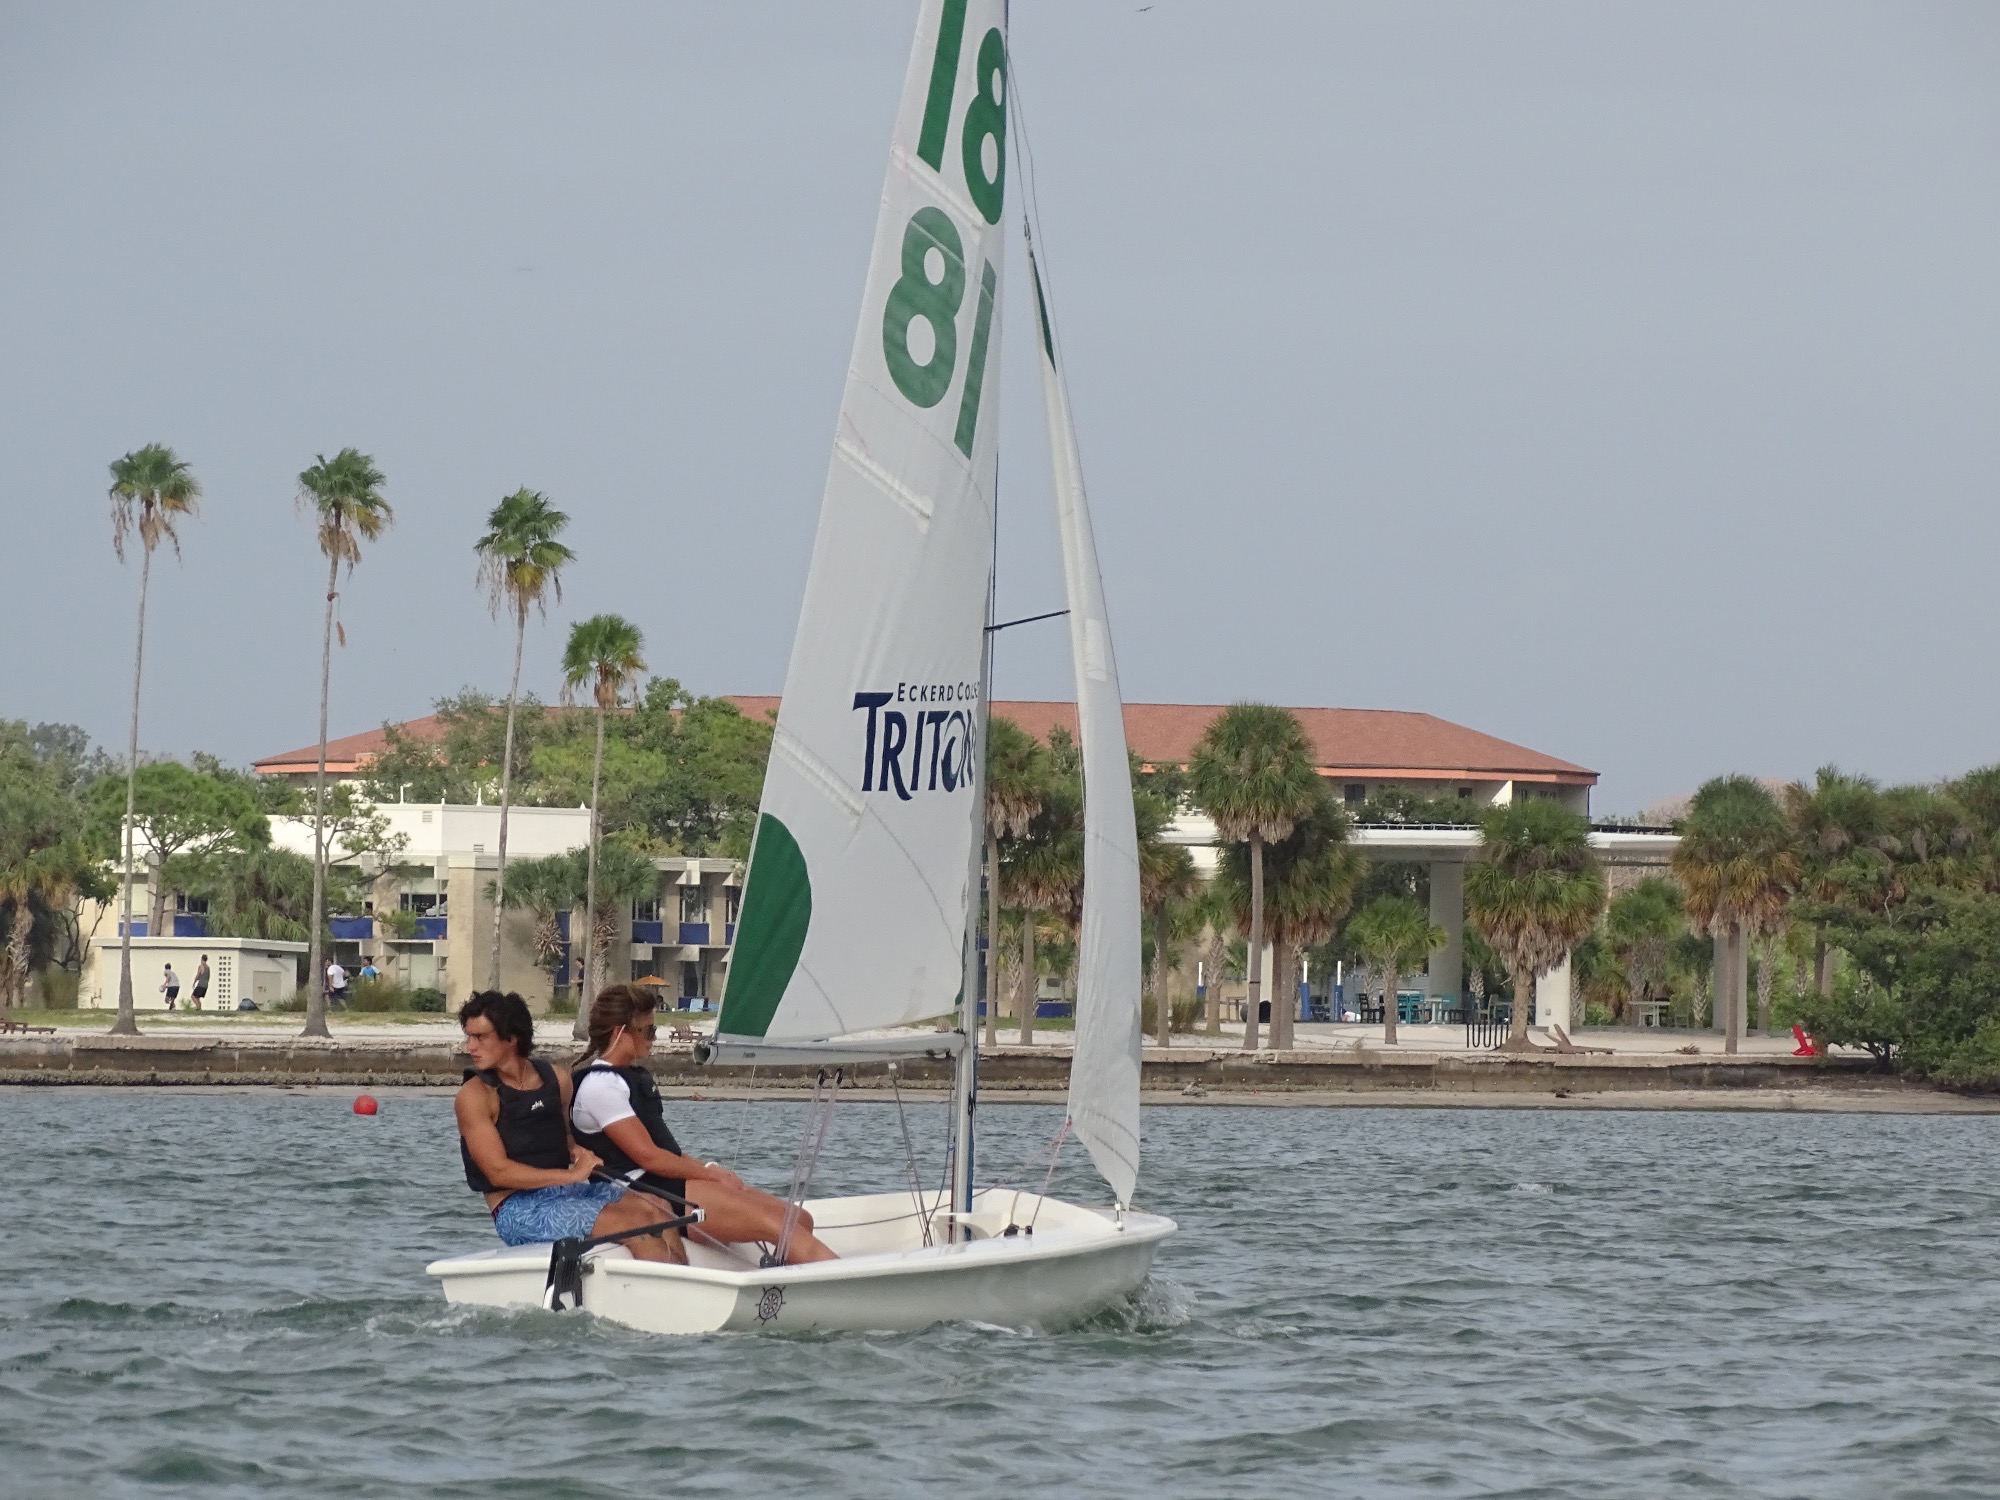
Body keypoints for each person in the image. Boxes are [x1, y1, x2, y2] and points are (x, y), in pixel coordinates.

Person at [569, 984, 837, 1264]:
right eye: (648, 1030)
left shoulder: (627, 1078)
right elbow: (648, 1158)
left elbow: (667, 1152)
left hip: (668, 1181)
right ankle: (841, 1283)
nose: (654, 1037)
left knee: (801, 1219)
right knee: (784, 1228)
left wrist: (707, 1168)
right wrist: (712, 1177)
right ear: (620, 1033)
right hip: (646, 1191)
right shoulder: (599, 1086)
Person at [454, 990, 685, 1261]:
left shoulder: (557, 1079)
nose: (470, 1046)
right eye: (469, 1036)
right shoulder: (475, 1096)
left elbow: (564, 1138)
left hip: (566, 1192)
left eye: (480, 1037)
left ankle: (687, 1287)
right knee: (639, 1223)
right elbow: (498, 1172)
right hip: (516, 1209)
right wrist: (572, 1175)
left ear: (511, 1037)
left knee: (659, 1207)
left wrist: (578, 1152)